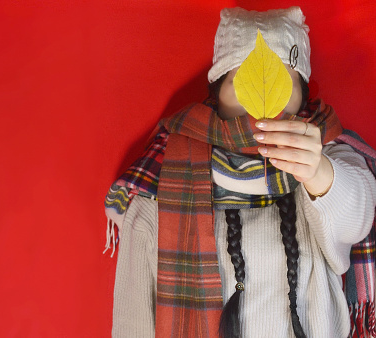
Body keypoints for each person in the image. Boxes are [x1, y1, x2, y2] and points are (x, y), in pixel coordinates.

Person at [103, 6, 376, 338]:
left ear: (303, 94)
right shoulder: (164, 178)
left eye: (281, 81)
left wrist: (319, 171)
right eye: (241, 81)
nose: (258, 99)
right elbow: (133, 317)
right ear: (216, 94)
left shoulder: (327, 151)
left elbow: (358, 215)